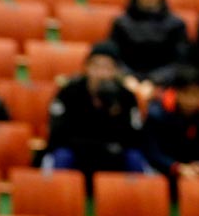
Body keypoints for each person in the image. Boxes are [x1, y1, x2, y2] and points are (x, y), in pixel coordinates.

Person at [43, 41, 148, 180]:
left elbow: (135, 137)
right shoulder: (69, 92)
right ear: (86, 67)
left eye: (107, 67)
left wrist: (114, 115)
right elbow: (57, 133)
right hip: (77, 153)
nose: (101, 73)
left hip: (113, 155)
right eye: (96, 66)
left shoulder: (126, 96)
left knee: (134, 158)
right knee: (61, 156)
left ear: (116, 71)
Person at [108, 0, 191, 102]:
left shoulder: (176, 25)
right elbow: (113, 58)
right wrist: (127, 78)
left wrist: (154, 82)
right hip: (127, 83)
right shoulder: (120, 23)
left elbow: (180, 63)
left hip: (164, 84)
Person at [141, 66, 199, 188]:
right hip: (165, 169)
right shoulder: (157, 115)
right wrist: (177, 167)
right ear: (176, 92)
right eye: (185, 93)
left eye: (196, 94)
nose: (190, 100)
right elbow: (152, 152)